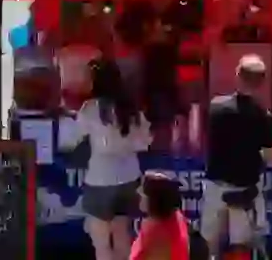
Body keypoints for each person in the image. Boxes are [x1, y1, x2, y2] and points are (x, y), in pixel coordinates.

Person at [61, 59, 152, 260]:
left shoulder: (90, 108)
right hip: (129, 179)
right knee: (122, 236)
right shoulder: (132, 108)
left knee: (101, 242)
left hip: (100, 181)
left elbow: (69, 141)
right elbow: (145, 141)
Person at [202, 54, 272, 258]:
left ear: (238, 76)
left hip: (215, 186)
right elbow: (269, 156)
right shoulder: (264, 116)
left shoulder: (216, 107)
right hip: (244, 190)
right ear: (261, 83)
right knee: (241, 246)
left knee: (208, 244)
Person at [131, 171, 192, 260]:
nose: (138, 196)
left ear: (154, 200)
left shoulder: (160, 235)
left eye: (142, 194)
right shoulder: (171, 218)